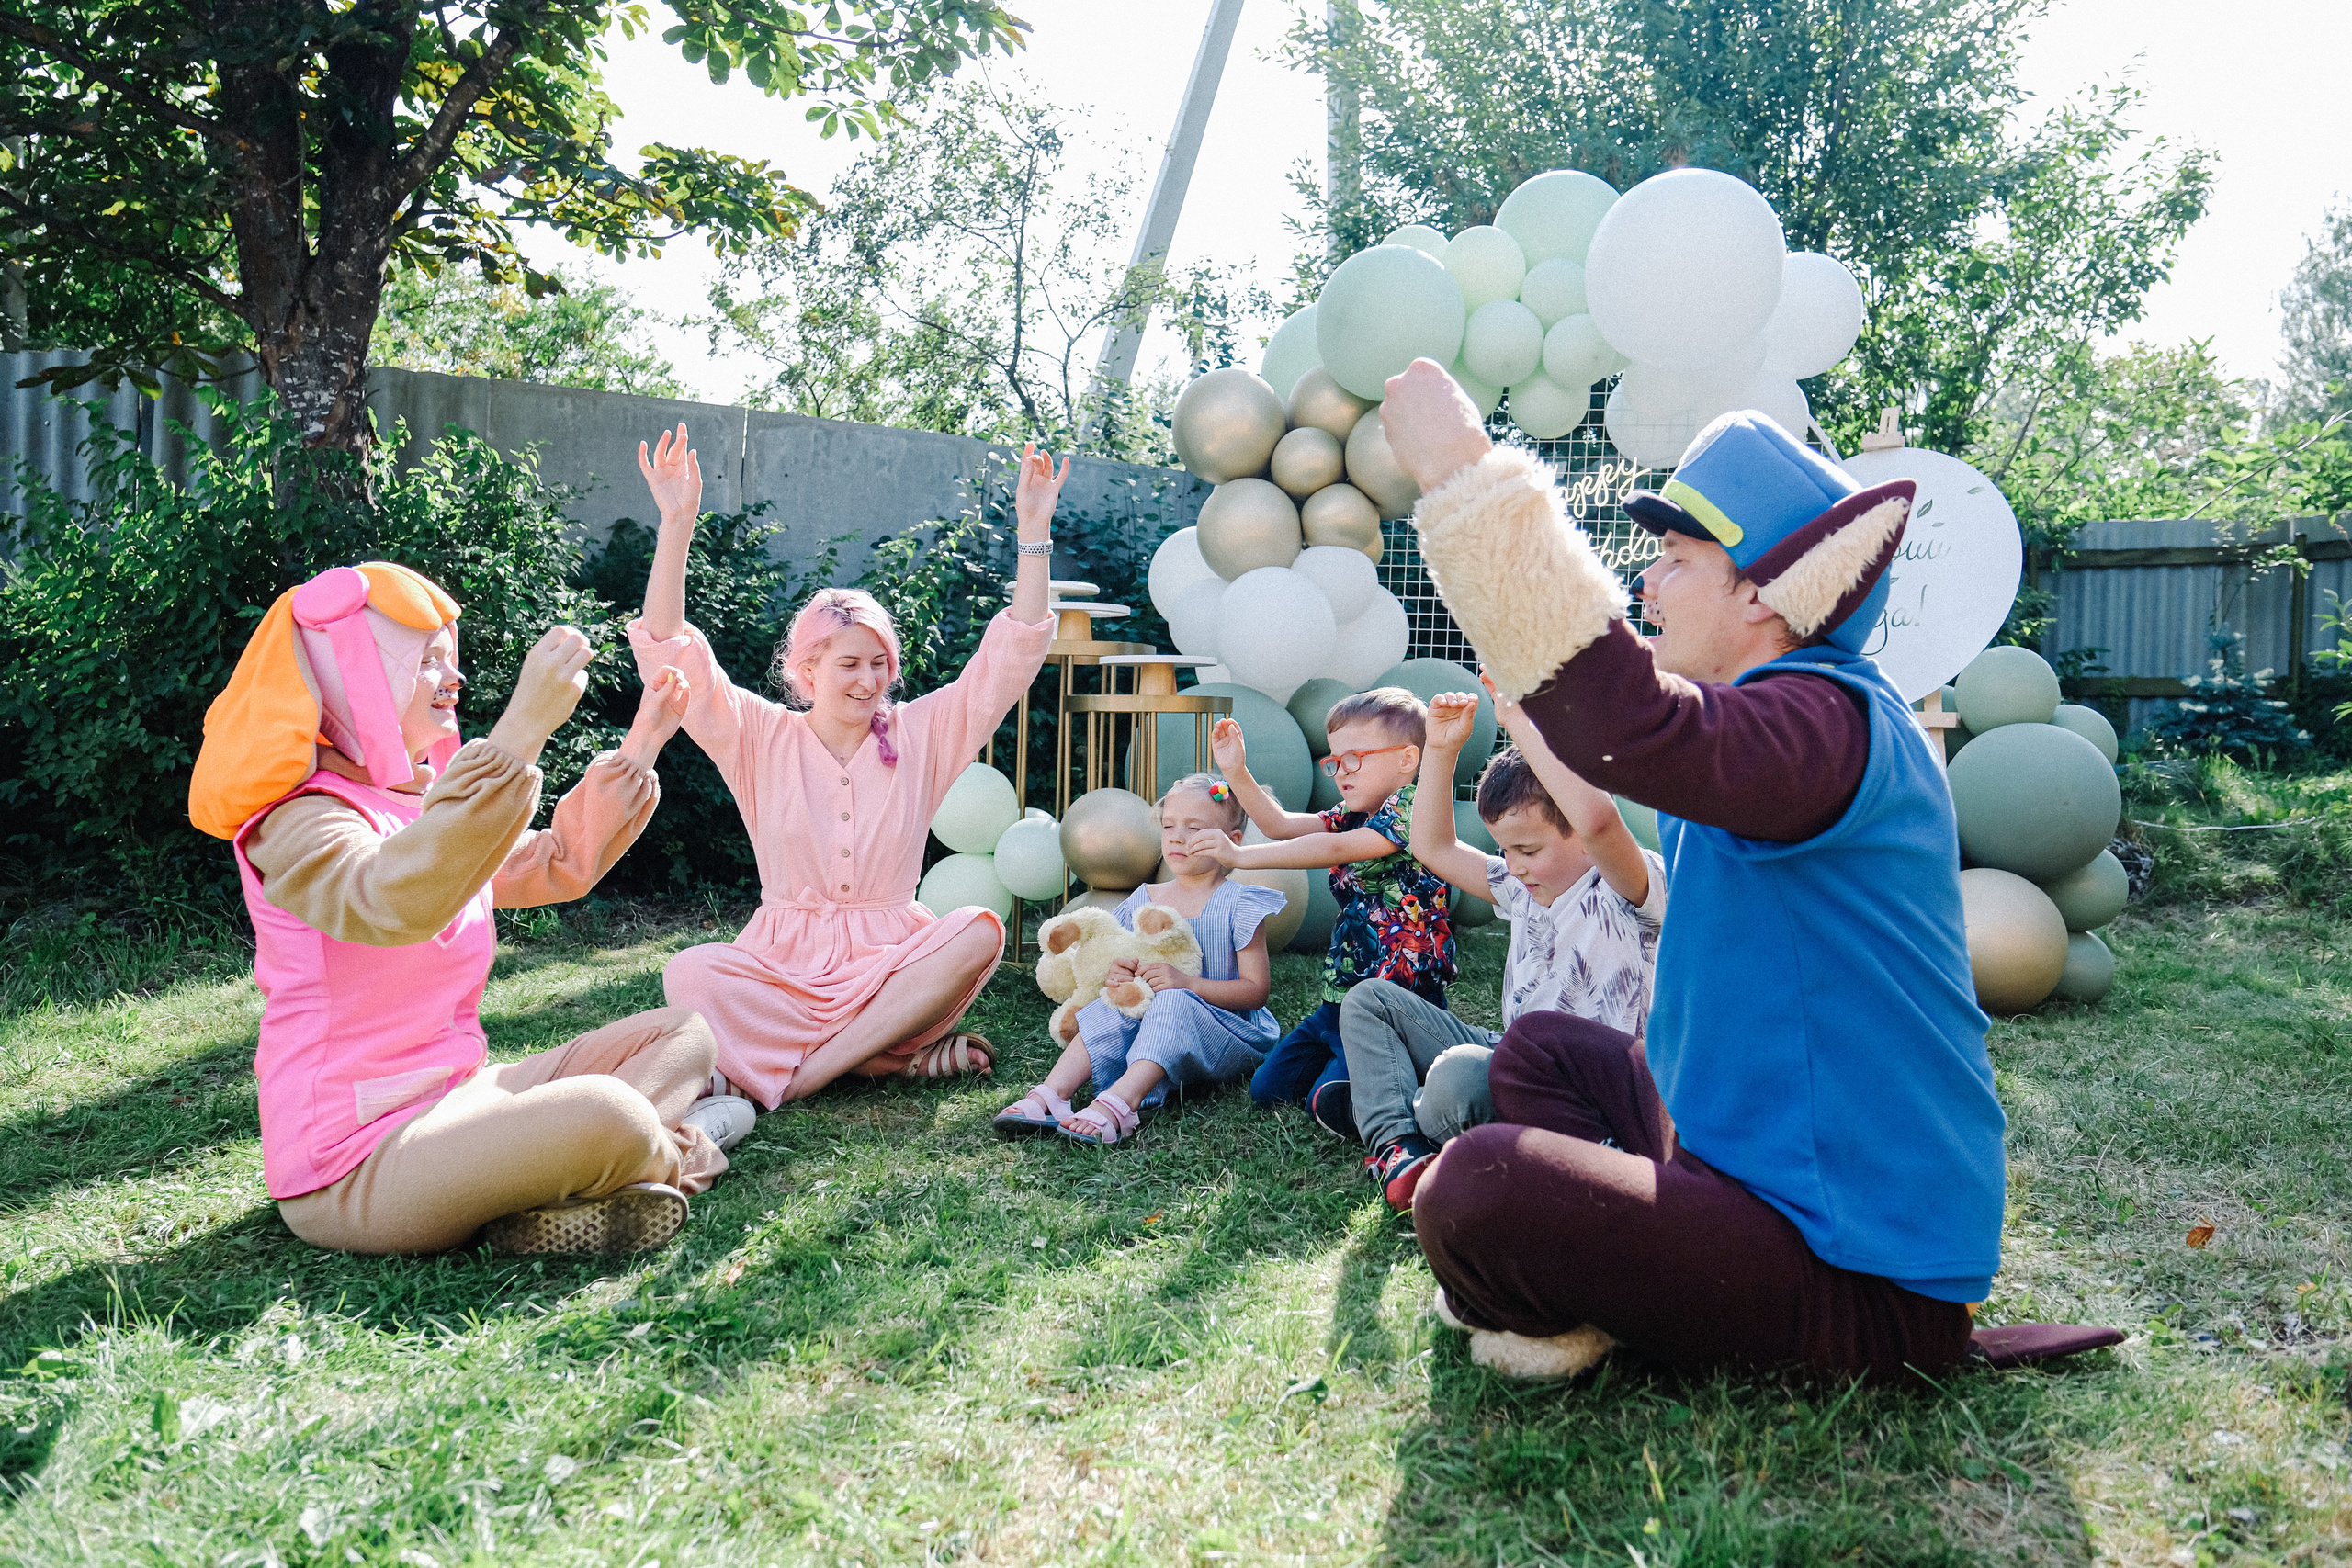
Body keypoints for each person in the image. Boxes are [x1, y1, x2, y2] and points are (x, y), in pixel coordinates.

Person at [1382, 365, 2013, 1383]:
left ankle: (1587, 1288)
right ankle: (1624, 1268)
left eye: (1675, 559)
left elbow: (1625, 724)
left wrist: (1464, 474)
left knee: (1475, 1186)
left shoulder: (1824, 721)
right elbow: (1619, 747)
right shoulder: (1790, 715)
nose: (1647, 585)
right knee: (1538, 1052)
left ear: (1765, 590)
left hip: (1855, 1278)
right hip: (1748, 1158)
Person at [188, 561, 749, 1258]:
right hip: (355, 1162)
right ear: (345, 677)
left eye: (449, 661)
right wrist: (523, 726)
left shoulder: (417, 802)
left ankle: (557, 1180)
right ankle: (683, 1146)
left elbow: (555, 863)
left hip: (463, 1102)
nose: (452, 680)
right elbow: (393, 897)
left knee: (684, 1033)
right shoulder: (296, 822)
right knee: (612, 1113)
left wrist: (643, 741)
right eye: (425, 662)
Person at [628, 425, 1066, 1107]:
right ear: (806, 670)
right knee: (690, 971)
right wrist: (677, 524)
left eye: (880, 664)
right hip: (782, 971)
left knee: (980, 926)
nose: (869, 680)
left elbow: (1006, 666)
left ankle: (806, 1070)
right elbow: (669, 652)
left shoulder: (919, 733)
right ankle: (879, 1059)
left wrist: (1033, 532)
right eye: (849, 664)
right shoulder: (758, 735)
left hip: (890, 973)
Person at [1343, 682, 1664, 1210]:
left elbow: (1601, 820)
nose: (1513, 865)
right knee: (1370, 1001)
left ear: (1578, 834)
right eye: (1505, 850)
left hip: (1581, 1096)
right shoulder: (1521, 887)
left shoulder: (1631, 889)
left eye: (1529, 849)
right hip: (1511, 1053)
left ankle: (1391, 1103)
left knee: (1455, 1080)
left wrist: (1520, 721)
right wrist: (1441, 750)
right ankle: (1398, 1146)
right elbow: (1433, 846)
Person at [1197, 689, 1456, 1136]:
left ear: (1407, 759)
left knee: (1331, 1095)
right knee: (1267, 1090)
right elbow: (1279, 825)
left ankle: (1404, 1069)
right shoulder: (1352, 813)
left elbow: (1334, 849)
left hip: (1397, 999)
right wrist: (1235, 771)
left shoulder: (1415, 808)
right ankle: (1352, 1066)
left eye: (1355, 758)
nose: (1340, 773)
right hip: (1341, 994)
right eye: (1335, 761)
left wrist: (1241, 857)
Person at [991, 775, 1286, 1145]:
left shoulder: (1240, 903)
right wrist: (1117, 973)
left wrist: (1190, 984)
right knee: (1113, 1000)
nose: (1177, 837)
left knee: (1176, 1000)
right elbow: (1124, 952)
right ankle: (1052, 1094)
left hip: (1225, 1031)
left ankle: (1121, 1104)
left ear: (1233, 842)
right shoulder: (1145, 898)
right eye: (1168, 826)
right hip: (1152, 1024)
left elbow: (1255, 991)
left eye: (1194, 828)